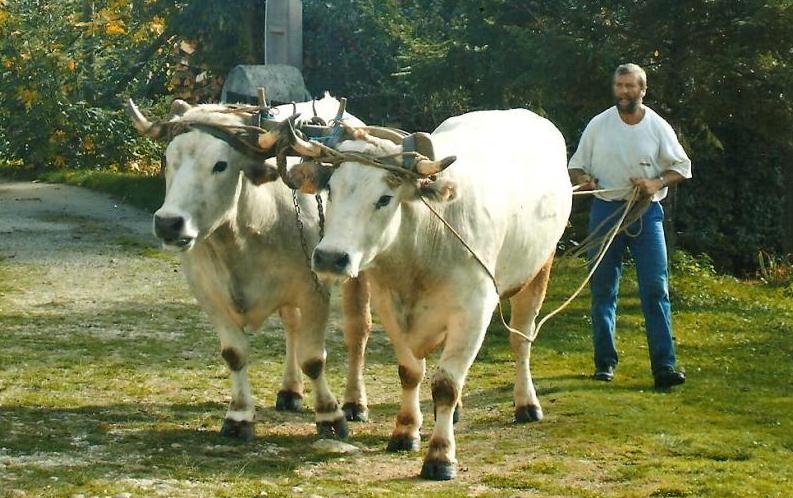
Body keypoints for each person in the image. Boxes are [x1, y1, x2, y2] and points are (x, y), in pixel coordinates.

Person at [568, 63, 691, 389]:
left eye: (630, 86)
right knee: (603, 289)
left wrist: (656, 183)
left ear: (642, 90)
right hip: (605, 211)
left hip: (645, 213)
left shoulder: (657, 126)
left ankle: (664, 367)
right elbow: (576, 166)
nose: (623, 91)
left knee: (655, 288)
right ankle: (604, 363)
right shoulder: (599, 125)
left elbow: (682, 167)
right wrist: (584, 179)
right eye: (619, 85)